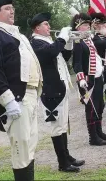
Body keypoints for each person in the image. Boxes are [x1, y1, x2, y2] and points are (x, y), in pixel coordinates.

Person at [0, 0, 42, 181]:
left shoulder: (17, 34)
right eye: (7, 8)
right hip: (16, 99)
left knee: (30, 144)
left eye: (12, 8)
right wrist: (8, 100)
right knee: (20, 148)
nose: (12, 11)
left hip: (30, 95)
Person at [29, 12, 85, 172]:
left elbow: (63, 56)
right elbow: (51, 52)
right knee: (57, 128)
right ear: (37, 28)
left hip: (60, 88)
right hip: (50, 91)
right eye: (46, 24)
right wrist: (62, 38)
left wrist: (69, 43)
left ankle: (66, 157)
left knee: (62, 126)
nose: (49, 27)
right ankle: (63, 163)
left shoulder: (47, 41)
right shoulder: (35, 43)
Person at [72, 11, 106, 146]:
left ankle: (99, 131)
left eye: (88, 24)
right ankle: (93, 137)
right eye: (85, 24)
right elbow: (77, 62)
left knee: (99, 105)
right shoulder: (77, 40)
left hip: (97, 77)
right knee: (91, 108)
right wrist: (81, 78)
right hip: (88, 79)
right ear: (78, 27)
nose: (88, 27)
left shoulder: (89, 39)